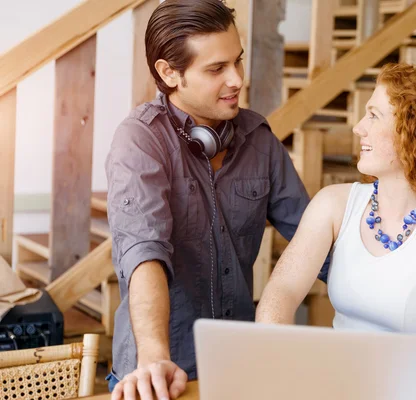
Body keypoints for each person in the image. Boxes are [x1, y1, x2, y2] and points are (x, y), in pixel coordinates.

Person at [256, 63, 416, 397]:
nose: (358, 128)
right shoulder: (333, 204)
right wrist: (277, 357)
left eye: (374, 116)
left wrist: (406, 383)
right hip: (335, 383)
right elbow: (281, 292)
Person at [105, 1, 320, 399]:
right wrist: (155, 357)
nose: (237, 79)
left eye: (237, 61)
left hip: (235, 367)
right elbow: (144, 253)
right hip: (162, 374)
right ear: (170, 73)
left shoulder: (259, 140)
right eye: (216, 69)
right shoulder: (140, 140)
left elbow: (315, 239)